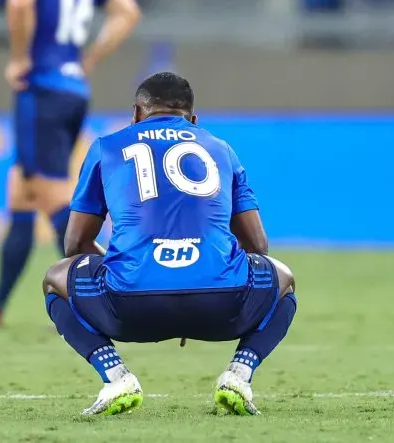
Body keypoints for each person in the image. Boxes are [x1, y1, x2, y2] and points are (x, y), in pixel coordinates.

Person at [41, 72, 297, 416]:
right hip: (220, 305)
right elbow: (257, 244)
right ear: (193, 119)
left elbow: (74, 242)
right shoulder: (220, 149)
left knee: (56, 277)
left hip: (130, 306)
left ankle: (116, 376)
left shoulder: (107, 146)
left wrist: (134, 269)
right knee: (283, 278)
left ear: (135, 113)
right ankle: (239, 373)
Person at [0, 0, 142, 326]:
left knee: (47, 194)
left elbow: (21, 1)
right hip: (73, 89)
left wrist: (19, 58)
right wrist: (91, 59)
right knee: (23, 190)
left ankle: (117, 293)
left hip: (41, 88)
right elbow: (127, 11)